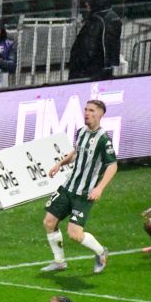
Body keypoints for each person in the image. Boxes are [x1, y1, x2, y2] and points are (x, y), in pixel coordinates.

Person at [41, 99, 117, 274]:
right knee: (49, 222)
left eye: (91, 110)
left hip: (84, 194)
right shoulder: (81, 132)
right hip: (68, 187)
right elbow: (76, 152)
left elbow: (113, 166)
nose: (86, 113)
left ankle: (101, 252)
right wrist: (60, 164)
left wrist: (99, 188)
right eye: (86, 109)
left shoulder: (103, 139)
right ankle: (59, 261)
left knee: (75, 234)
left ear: (100, 114)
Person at [68, 0, 122, 81]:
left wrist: (75, 69)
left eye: (88, 1)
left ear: (96, 1)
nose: (86, 4)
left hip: (88, 73)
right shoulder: (114, 18)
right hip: (107, 71)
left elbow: (85, 51)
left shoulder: (95, 22)